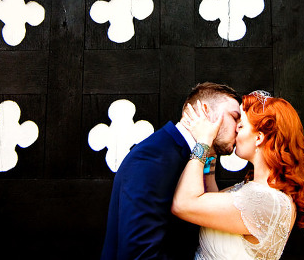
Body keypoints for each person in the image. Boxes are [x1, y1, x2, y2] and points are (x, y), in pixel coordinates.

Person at [100, 82, 243, 260]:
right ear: (205, 112)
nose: (239, 127)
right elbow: (140, 253)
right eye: (234, 117)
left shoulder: (194, 158)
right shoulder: (153, 157)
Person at [171, 90, 304, 260]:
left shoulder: (265, 201)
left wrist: (203, 142)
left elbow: (183, 204)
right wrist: (210, 155)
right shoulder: (259, 190)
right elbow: (211, 203)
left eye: (241, 125)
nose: (235, 130)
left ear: (259, 138)